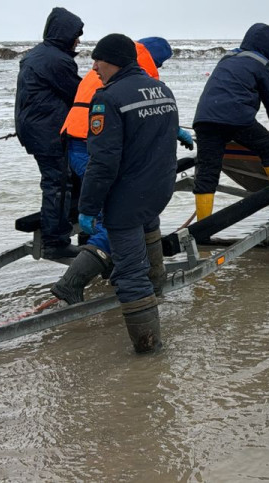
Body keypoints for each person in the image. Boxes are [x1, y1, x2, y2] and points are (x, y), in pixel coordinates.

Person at [50, 36, 192, 304]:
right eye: (160, 61)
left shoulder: (120, 67)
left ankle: (149, 283)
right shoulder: (132, 73)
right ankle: (71, 282)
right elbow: (136, 123)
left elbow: (144, 118)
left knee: (132, 210)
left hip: (86, 139)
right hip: (86, 144)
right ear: (152, 57)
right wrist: (90, 208)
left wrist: (174, 129)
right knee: (115, 215)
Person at [76, 34, 179, 353]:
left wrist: (89, 207)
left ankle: (149, 349)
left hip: (126, 199)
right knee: (150, 239)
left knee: (130, 275)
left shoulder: (108, 98)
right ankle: (157, 295)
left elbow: (103, 161)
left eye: (98, 60)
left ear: (114, 61)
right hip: (158, 190)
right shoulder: (162, 90)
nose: (94, 67)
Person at [191, 23, 269, 221]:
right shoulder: (260, 65)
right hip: (236, 118)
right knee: (268, 147)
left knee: (207, 172)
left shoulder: (227, 59)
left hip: (204, 119)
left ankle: (202, 227)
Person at [15, 7, 84, 260]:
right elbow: (78, 94)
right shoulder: (56, 60)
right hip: (48, 131)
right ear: (65, 34)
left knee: (66, 178)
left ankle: (70, 220)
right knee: (58, 182)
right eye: (76, 35)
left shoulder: (41, 54)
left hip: (36, 127)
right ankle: (56, 240)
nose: (78, 40)